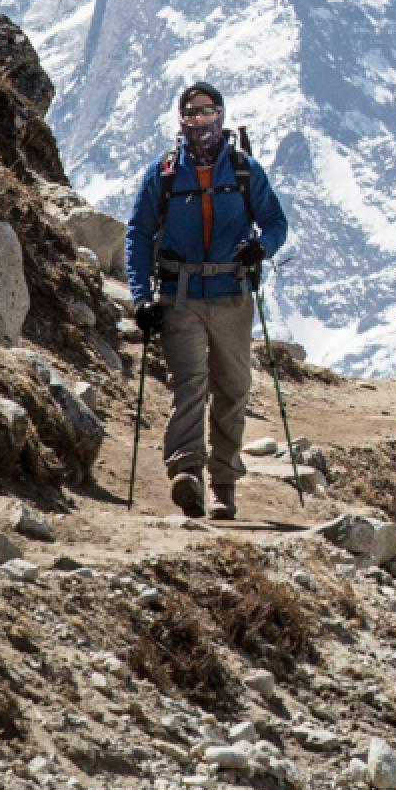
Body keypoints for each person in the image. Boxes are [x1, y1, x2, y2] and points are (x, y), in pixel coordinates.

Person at [123, 81, 289, 520]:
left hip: (232, 296)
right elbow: (138, 236)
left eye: (208, 112)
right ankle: (188, 473)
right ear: (182, 121)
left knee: (233, 389)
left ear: (221, 116)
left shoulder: (244, 171)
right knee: (190, 384)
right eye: (192, 113)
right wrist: (142, 298)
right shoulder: (161, 175)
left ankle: (225, 483)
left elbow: (275, 222)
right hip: (180, 298)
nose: (200, 121)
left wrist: (262, 248)